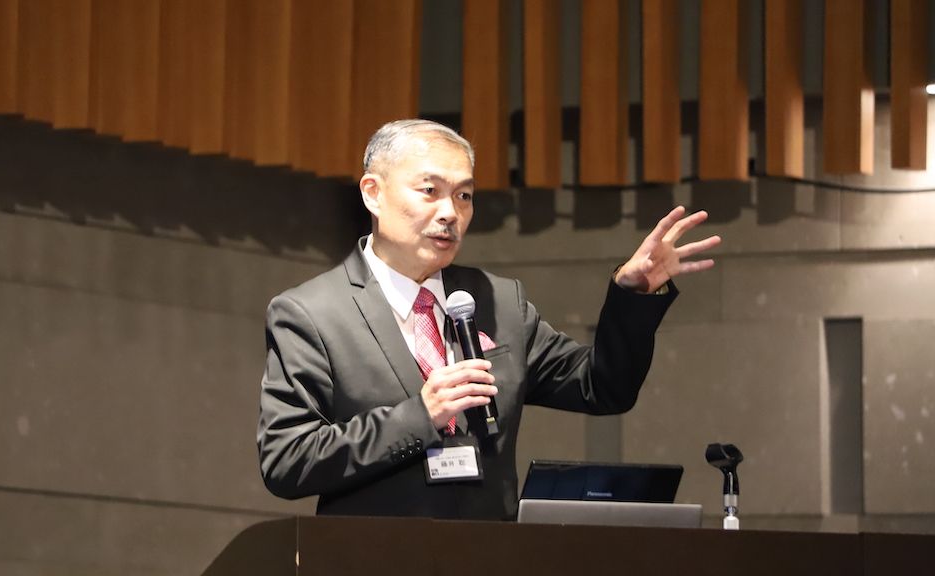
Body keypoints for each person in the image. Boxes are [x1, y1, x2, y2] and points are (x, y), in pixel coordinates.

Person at [257, 119, 721, 520]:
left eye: (464, 195)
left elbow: (602, 386)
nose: (450, 214)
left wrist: (631, 294)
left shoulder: (497, 300)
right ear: (373, 193)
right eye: (430, 191)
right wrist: (422, 416)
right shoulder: (312, 313)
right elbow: (288, 459)